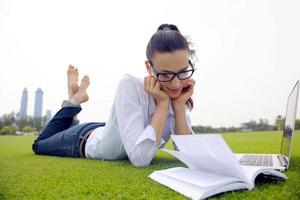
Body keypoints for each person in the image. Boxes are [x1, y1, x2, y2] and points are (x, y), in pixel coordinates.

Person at [32, 23, 196, 167]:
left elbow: (190, 157)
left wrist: (179, 106)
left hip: (106, 130)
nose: (175, 84)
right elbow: (140, 160)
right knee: (39, 145)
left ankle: (74, 98)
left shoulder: (177, 96)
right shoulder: (129, 85)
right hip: (81, 140)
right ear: (149, 67)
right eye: (165, 75)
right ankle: (74, 101)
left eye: (182, 72)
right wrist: (162, 104)